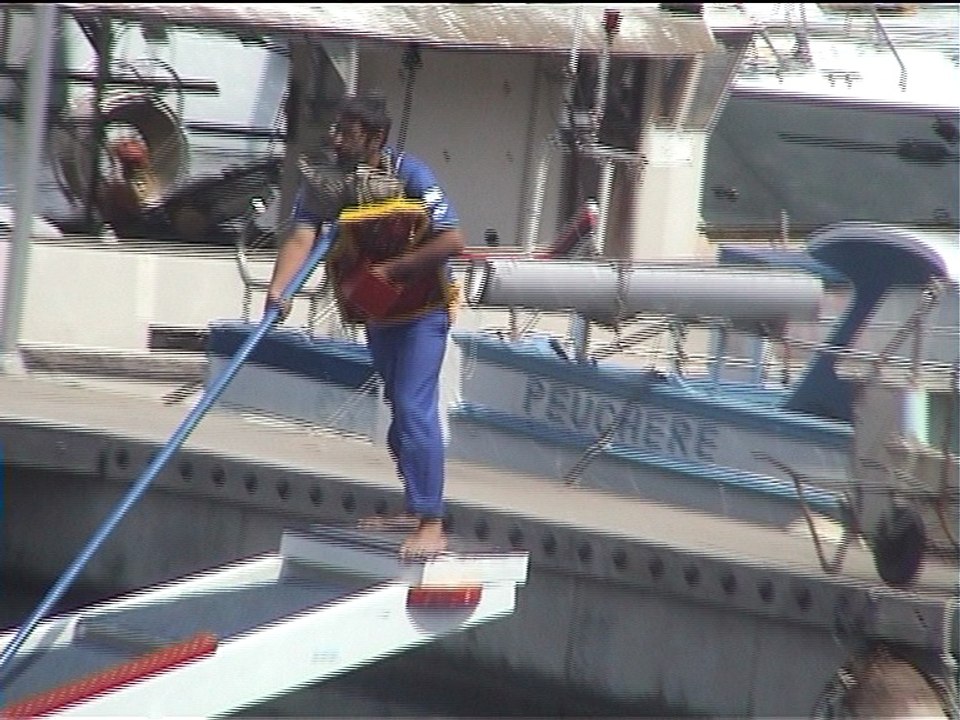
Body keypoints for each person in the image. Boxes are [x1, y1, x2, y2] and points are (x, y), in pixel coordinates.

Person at [265, 93, 465, 557]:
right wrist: (279, 290)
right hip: (380, 314)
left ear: (376, 138)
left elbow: (452, 240)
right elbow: (302, 234)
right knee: (400, 415)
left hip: (423, 313)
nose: (336, 141)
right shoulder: (328, 182)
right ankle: (415, 506)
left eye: (347, 134)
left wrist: (393, 272)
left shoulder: (411, 174)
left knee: (414, 409)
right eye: (336, 131)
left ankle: (431, 521)